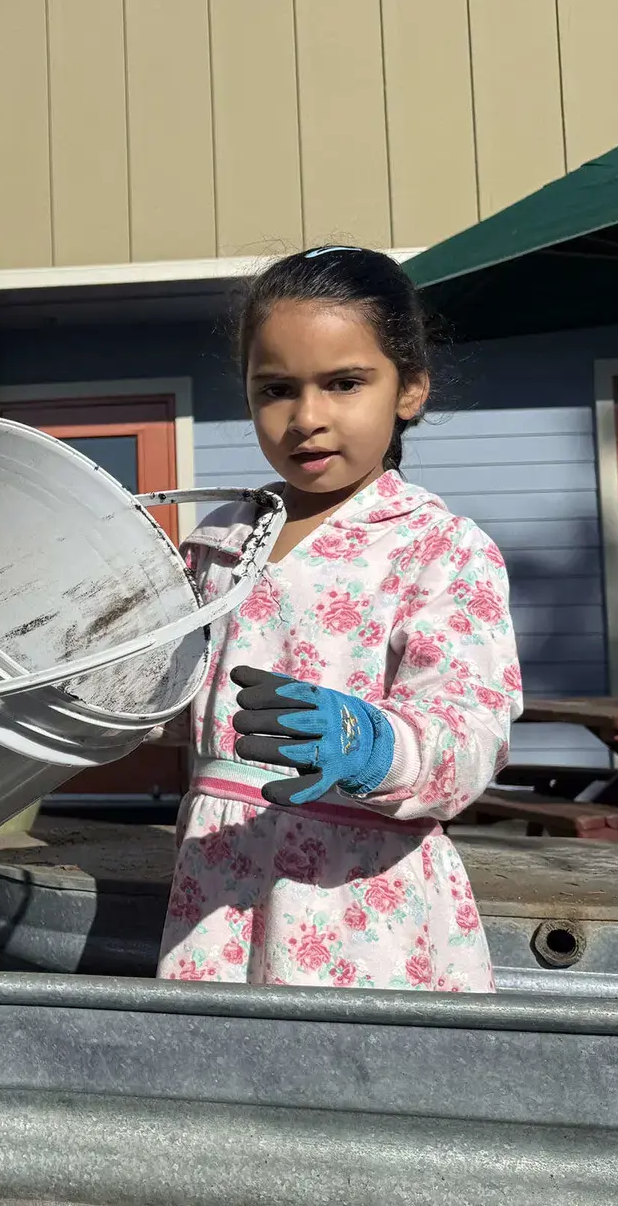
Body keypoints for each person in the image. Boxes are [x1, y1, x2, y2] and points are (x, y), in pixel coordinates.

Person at [157, 246, 522, 992]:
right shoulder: (218, 539)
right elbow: (154, 693)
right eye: (277, 388)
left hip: (363, 911)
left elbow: (473, 724)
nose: (308, 417)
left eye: (345, 382)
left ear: (410, 388)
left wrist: (376, 744)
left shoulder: (440, 549)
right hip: (216, 892)